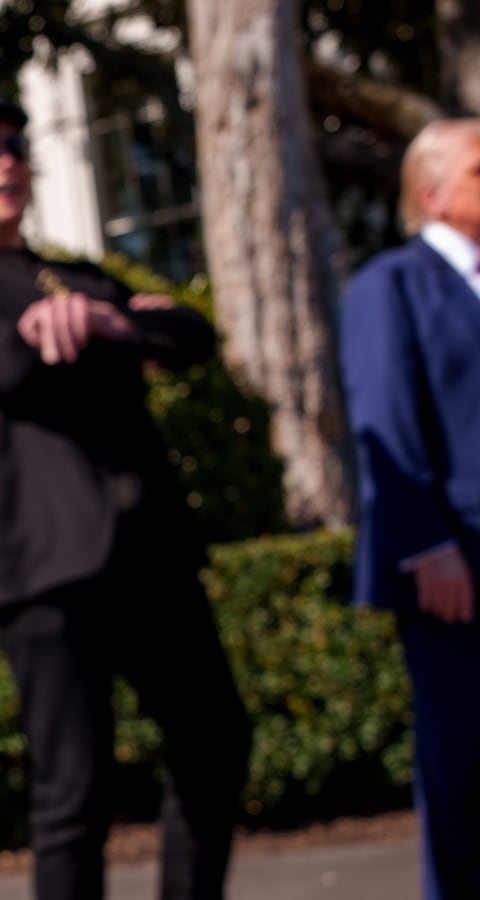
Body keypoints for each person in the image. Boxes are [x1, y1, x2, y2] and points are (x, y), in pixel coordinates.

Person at [0, 80, 251, 900]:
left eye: (13, 146)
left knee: (215, 744)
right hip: (46, 569)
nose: (4, 163)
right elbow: (9, 365)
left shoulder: (76, 273)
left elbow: (190, 334)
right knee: (75, 793)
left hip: (151, 551)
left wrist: (102, 321)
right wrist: (120, 325)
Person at [339, 117, 480, 900]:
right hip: (457, 560)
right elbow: (384, 421)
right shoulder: (389, 284)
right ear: (430, 194)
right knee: (463, 767)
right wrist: (426, 545)